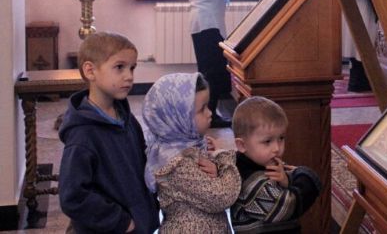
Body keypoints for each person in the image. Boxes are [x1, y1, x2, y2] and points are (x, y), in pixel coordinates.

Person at [58, 32, 159, 234]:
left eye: (132, 68)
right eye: (119, 67)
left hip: (138, 223)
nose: (129, 76)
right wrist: (120, 221)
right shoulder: (82, 135)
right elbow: (73, 196)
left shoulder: (127, 119)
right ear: (90, 71)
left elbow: (142, 162)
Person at [143, 72, 241, 233]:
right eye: (202, 109)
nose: (210, 113)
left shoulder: (188, 145)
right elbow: (221, 196)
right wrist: (223, 159)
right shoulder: (177, 163)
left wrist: (212, 161)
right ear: (178, 117)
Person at [231, 96, 321, 233]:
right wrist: (308, 177)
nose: (277, 148)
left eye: (281, 138)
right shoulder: (250, 183)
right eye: (267, 141)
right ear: (242, 145)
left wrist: (286, 181)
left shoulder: (266, 163)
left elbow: (289, 178)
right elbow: (288, 207)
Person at [190, 0, 245, 127]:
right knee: (213, 73)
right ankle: (211, 115)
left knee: (208, 72)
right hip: (209, 25)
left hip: (201, 25)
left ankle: (206, 112)